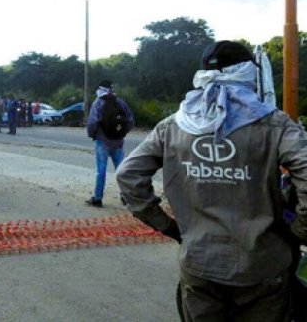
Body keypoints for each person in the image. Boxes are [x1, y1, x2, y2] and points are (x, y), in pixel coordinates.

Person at [116, 41, 307, 320]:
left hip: (199, 264)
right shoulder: (275, 124)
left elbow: (128, 175)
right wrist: (298, 231)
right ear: (248, 74)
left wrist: (167, 226)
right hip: (262, 267)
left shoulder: (174, 125)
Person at [85, 79, 133, 208]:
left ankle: (97, 198)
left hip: (102, 141)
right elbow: (130, 120)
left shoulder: (98, 103)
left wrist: (92, 135)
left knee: (101, 170)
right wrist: (122, 133)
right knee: (122, 170)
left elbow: (92, 123)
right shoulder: (120, 102)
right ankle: (126, 196)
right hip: (118, 142)